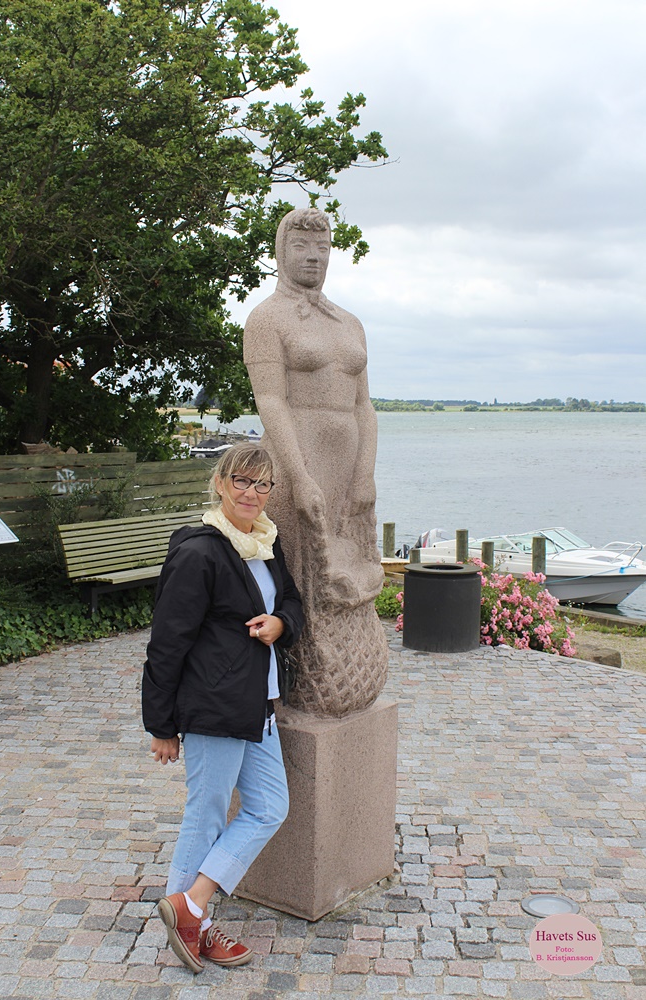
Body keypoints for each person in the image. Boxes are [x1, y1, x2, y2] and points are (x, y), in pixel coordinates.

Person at [142, 443, 303, 973]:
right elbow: (167, 643)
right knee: (206, 812)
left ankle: (189, 906)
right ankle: (194, 921)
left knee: (269, 807)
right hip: (214, 704)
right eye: (241, 481)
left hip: (257, 702)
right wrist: (161, 725)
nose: (251, 493)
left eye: (262, 484)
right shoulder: (200, 552)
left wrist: (281, 624)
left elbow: (291, 601)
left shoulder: (266, 543)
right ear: (220, 483)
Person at [243, 208, 388, 717]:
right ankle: (306, 680)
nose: (313, 257)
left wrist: (365, 472)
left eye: (322, 248)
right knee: (306, 573)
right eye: (301, 246)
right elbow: (270, 401)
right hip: (295, 460)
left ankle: (357, 665)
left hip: (348, 466)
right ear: (281, 251)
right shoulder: (266, 319)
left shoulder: (350, 323)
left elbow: (364, 405)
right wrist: (298, 475)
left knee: (353, 568)